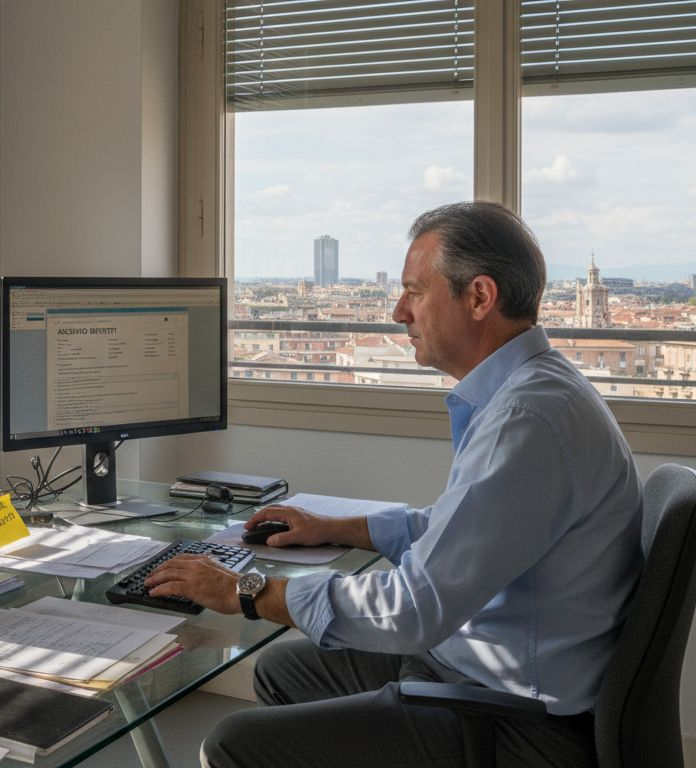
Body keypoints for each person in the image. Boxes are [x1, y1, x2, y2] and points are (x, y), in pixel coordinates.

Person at [144, 201, 643, 768]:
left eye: (414, 291)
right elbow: (468, 534)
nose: (397, 312)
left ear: (479, 298)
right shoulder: (533, 391)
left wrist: (247, 591)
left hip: (513, 717)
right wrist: (342, 528)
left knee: (232, 746)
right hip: (482, 663)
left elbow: (415, 607)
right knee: (284, 670)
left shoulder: (527, 420)